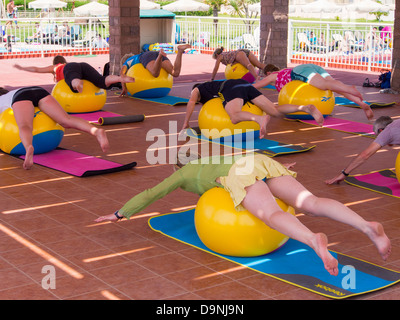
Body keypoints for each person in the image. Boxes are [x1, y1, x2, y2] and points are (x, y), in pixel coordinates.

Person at [94, 152, 391, 276]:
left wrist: (120, 213)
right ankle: (366, 226)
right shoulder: (211, 158)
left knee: (271, 216)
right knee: (310, 202)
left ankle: (313, 240)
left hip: (239, 174)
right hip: (257, 160)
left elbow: (153, 193)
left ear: (178, 167)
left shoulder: (182, 174)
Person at [0, 86, 109, 170]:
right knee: (66, 120)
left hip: (21, 96)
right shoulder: (9, 93)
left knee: (25, 125)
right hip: (40, 91)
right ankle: (96, 131)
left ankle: (28, 147)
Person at [181, 78, 324, 139]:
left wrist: (185, 123)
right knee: (275, 111)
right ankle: (305, 108)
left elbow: (191, 102)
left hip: (230, 87)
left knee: (235, 116)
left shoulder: (197, 89)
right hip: (244, 85)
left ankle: (259, 118)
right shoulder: (210, 90)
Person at [254, 63, 374, 121]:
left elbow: (257, 86)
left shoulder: (273, 76)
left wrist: (242, 87)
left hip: (298, 71)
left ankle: (349, 88)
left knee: (324, 85)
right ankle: (362, 104)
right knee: (334, 87)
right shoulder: (283, 71)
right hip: (311, 67)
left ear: (268, 73)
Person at [326, 116, 399, 185]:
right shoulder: (396, 124)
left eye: (377, 135)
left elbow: (365, 155)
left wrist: (344, 174)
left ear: (381, 130)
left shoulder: (386, 132)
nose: (378, 138)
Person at [13, 55, 134, 93]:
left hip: (73, 69)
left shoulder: (58, 67)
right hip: (83, 66)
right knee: (101, 81)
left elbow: (37, 69)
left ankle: (77, 84)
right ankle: (119, 78)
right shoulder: (67, 65)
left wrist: (23, 68)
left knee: (72, 79)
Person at [119, 44, 191, 97]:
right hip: (154, 53)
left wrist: (124, 88)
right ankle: (180, 51)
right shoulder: (134, 58)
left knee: (155, 73)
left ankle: (160, 56)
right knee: (175, 73)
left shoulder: (127, 62)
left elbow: (122, 73)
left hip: (146, 56)